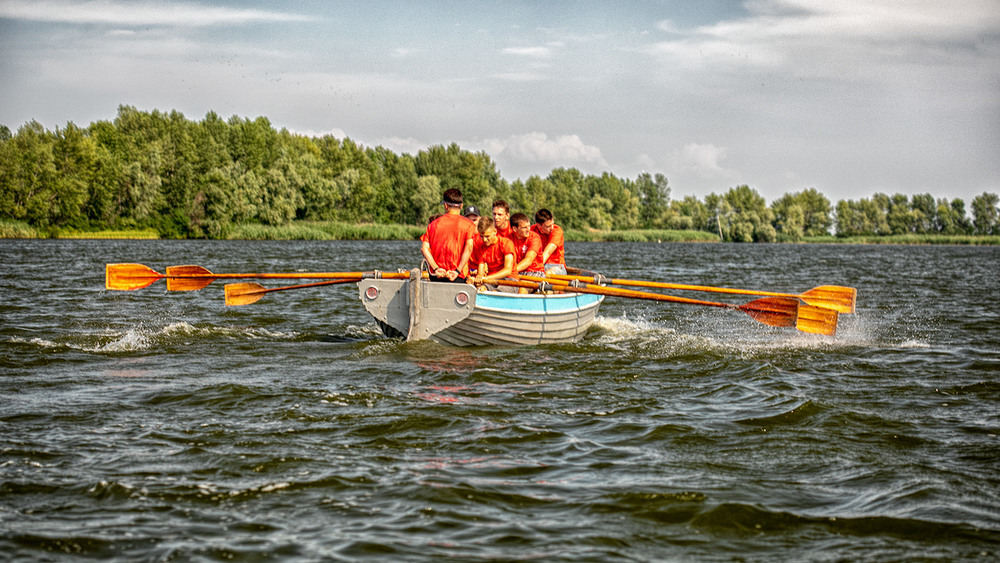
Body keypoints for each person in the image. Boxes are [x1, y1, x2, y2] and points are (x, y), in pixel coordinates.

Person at [420, 188, 476, 281]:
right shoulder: (469, 225)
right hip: (457, 276)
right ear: (461, 206)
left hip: (437, 275)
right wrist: (457, 271)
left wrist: (436, 268)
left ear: (445, 205)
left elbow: (424, 249)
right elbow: (469, 248)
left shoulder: (433, 225)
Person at [469, 216, 517, 291]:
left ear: (495, 231)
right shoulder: (481, 247)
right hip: (492, 280)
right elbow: (480, 273)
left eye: (487, 236)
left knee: (495, 293)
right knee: (480, 290)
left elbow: (508, 270)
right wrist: (477, 280)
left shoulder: (506, 243)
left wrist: (486, 278)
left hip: (510, 280)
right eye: (481, 236)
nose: (484, 240)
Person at [531, 208, 567, 275]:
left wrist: (535, 269)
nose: (552, 228)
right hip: (538, 265)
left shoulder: (557, 231)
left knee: (547, 273)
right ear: (539, 225)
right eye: (548, 226)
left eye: (552, 224)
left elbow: (547, 252)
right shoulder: (532, 230)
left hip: (557, 266)